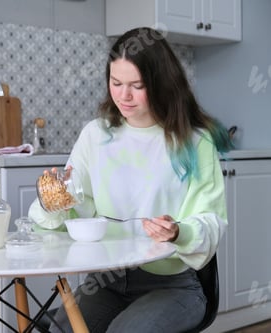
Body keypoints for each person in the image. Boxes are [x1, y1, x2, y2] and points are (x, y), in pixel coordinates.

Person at [28, 27, 233, 332]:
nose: (124, 95)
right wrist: (51, 201)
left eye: (137, 85)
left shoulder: (194, 142)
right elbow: (71, 205)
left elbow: (211, 220)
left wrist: (178, 231)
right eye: (116, 83)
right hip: (105, 281)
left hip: (172, 285)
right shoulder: (95, 135)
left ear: (162, 84)